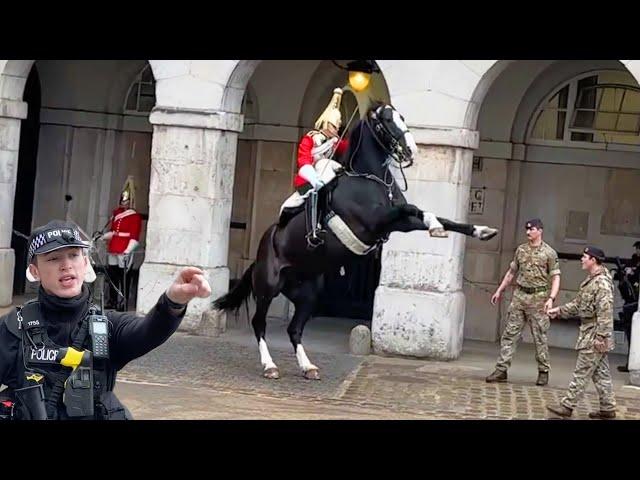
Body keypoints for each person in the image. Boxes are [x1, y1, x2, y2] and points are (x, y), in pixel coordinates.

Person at [0, 220, 210, 420]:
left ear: (85, 262)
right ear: (35, 271)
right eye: (53, 258)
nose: (66, 265)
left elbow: (148, 331)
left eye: (73, 255)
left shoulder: (108, 326)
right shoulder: (13, 328)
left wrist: (172, 302)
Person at [486, 218, 561, 386]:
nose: (528, 232)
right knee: (509, 334)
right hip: (520, 296)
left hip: (538, 298)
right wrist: (499, 290)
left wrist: (551, 298)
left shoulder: (549, 253)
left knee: (540, 336)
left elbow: (556, 277)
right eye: (527, 229)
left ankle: (543, 371)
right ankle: (501, 369)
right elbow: (511, 273)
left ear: (540, 230)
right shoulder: (521, 250)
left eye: (532, 229)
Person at [546, 246, 616, 419]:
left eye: (585, 257)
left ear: (593, 260)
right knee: (601, 374)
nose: (582, 259)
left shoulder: (602, 283)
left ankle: (567, 406)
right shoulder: (591, 280)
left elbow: (605, 312)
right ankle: (608, 408)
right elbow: (578, 304)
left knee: (582, 371)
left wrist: (601, 337)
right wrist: (560, 311)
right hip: (591, 331)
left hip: (594, 334)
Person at [279, 87, 349, 248]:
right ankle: (313, 230)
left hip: (327, 177)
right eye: (335, 125)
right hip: (308, 179)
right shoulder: (311, 138)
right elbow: (303, 160)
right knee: (306, 195)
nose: (337, 128)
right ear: (326, 123)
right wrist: (314, 178)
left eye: (338, 126)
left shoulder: (335, 141)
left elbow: (346, 149)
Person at [102, 175, 143, 310]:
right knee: (112, 276)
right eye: (122, 200)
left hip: (124, 247)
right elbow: (114, 231)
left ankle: (123, 302)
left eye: (126, 200)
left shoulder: (134, 216)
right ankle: (112, 300)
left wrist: (128, 250)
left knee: (123, 277)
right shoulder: (116, 213)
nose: (123, 203)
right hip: (114, 246)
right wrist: (103, 237)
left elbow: (134, 236)